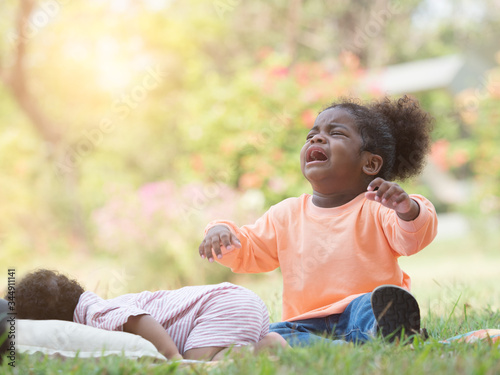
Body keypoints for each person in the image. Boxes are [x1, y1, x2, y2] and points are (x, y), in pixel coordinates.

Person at [199, 95, 438, 346]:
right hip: (305, 322)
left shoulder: (378, 206)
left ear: (369, 163)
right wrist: (221, 230)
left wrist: (406, 208)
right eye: (311, 135)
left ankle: (388, 330)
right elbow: (248, 250)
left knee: (373, 305)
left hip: (361, 311)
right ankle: (348, 347)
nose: (316, 138)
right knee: (271, 334)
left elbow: (411, 240)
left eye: (336, 133)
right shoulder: (286, 214)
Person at [13, 269, 287, 361]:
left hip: (221, 306)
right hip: (235, 301)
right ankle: (268, 344)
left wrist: (173, 359)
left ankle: (261, 350)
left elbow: (141, 319)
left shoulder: (94, 315)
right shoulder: (97, 306)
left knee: (200, 364)